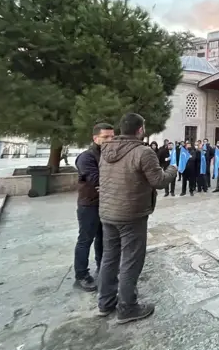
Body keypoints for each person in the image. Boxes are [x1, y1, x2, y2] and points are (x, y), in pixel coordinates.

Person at [98, 113, 177, 323]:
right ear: (140, 130)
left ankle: (105, 303)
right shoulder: (143, 152)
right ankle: (127, 307)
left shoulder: (106, 149)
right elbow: (159, 181)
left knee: (109, 258)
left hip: (107, 212)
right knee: (131, 261)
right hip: (131, 214)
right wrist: (172, 170)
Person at [73, 123, 115, 292]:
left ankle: (102, 267)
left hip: (106, 204)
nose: (110, 140)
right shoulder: (86, 157)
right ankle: (81, 275)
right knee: (85, 240)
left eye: (112, 136)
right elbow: (97, 180)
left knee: (103, 239)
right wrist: (113, 182)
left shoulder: (111, 155)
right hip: (89, 205)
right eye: (106, 137)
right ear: (95, 138)